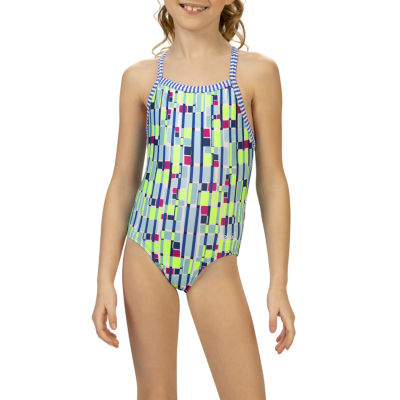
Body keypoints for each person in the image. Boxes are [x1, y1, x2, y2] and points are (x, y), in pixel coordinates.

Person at [92, 1, 295, 398]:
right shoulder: (140, 80)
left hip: (215, 259)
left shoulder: (256, 75)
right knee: (156, 392)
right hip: (147, 250)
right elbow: (123, 182)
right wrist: (104, 279)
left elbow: (272, 181)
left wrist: (278, 283)